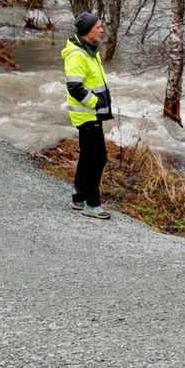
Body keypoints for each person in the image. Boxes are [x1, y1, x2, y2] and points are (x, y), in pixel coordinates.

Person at [62, 12, 114, 219]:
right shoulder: (77, 54)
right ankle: (92, 204)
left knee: (87, 156)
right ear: (87, 32)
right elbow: (75, 87)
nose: (101, 30)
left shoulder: (90, 51)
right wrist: (96, 103)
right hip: (87, 115)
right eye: (98, 27)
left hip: (92, 114)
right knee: (98, 158)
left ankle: (79, 197)